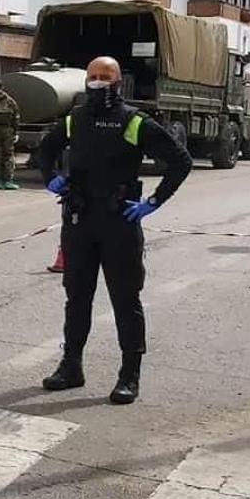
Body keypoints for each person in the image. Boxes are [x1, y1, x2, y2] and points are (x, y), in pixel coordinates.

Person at [34, 56, 192, 404]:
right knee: (77, 297)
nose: (98, 81)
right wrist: (50, 178)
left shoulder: (133, 120)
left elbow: (180, 160)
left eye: (105, 76)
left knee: (125, 299)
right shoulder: (75, 119)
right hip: (79, 221)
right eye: (93, 75)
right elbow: (44, 151)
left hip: (119, 223)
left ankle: (129, 375)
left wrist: (154, 201)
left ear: (119, 82)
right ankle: (71, 366)